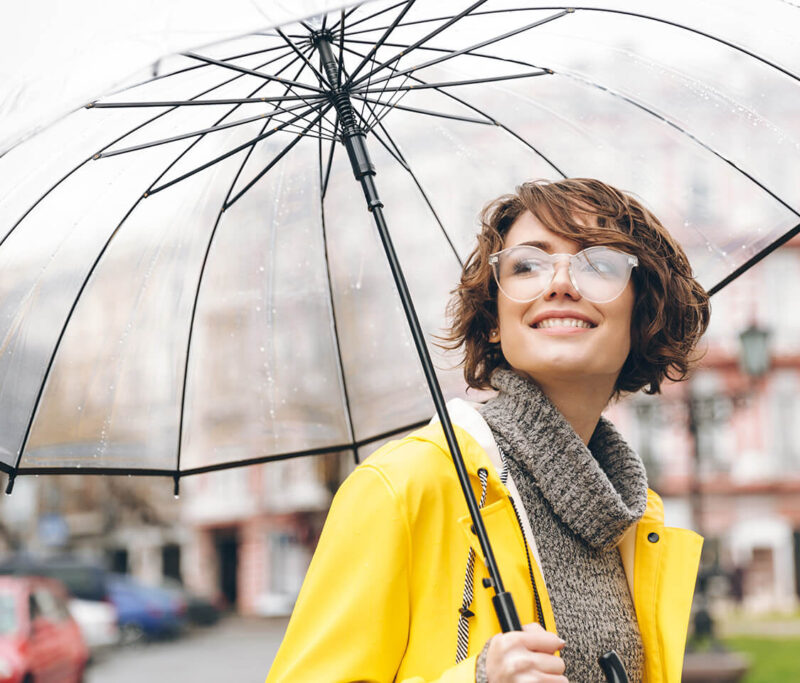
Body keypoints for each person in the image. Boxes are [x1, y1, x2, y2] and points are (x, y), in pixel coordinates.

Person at [267, 178, 710, 683]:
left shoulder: (634, 518)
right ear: (494, 319)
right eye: (527, 265)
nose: (561, 282)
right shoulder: (405, 484)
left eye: (599, 264)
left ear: (641, 313)